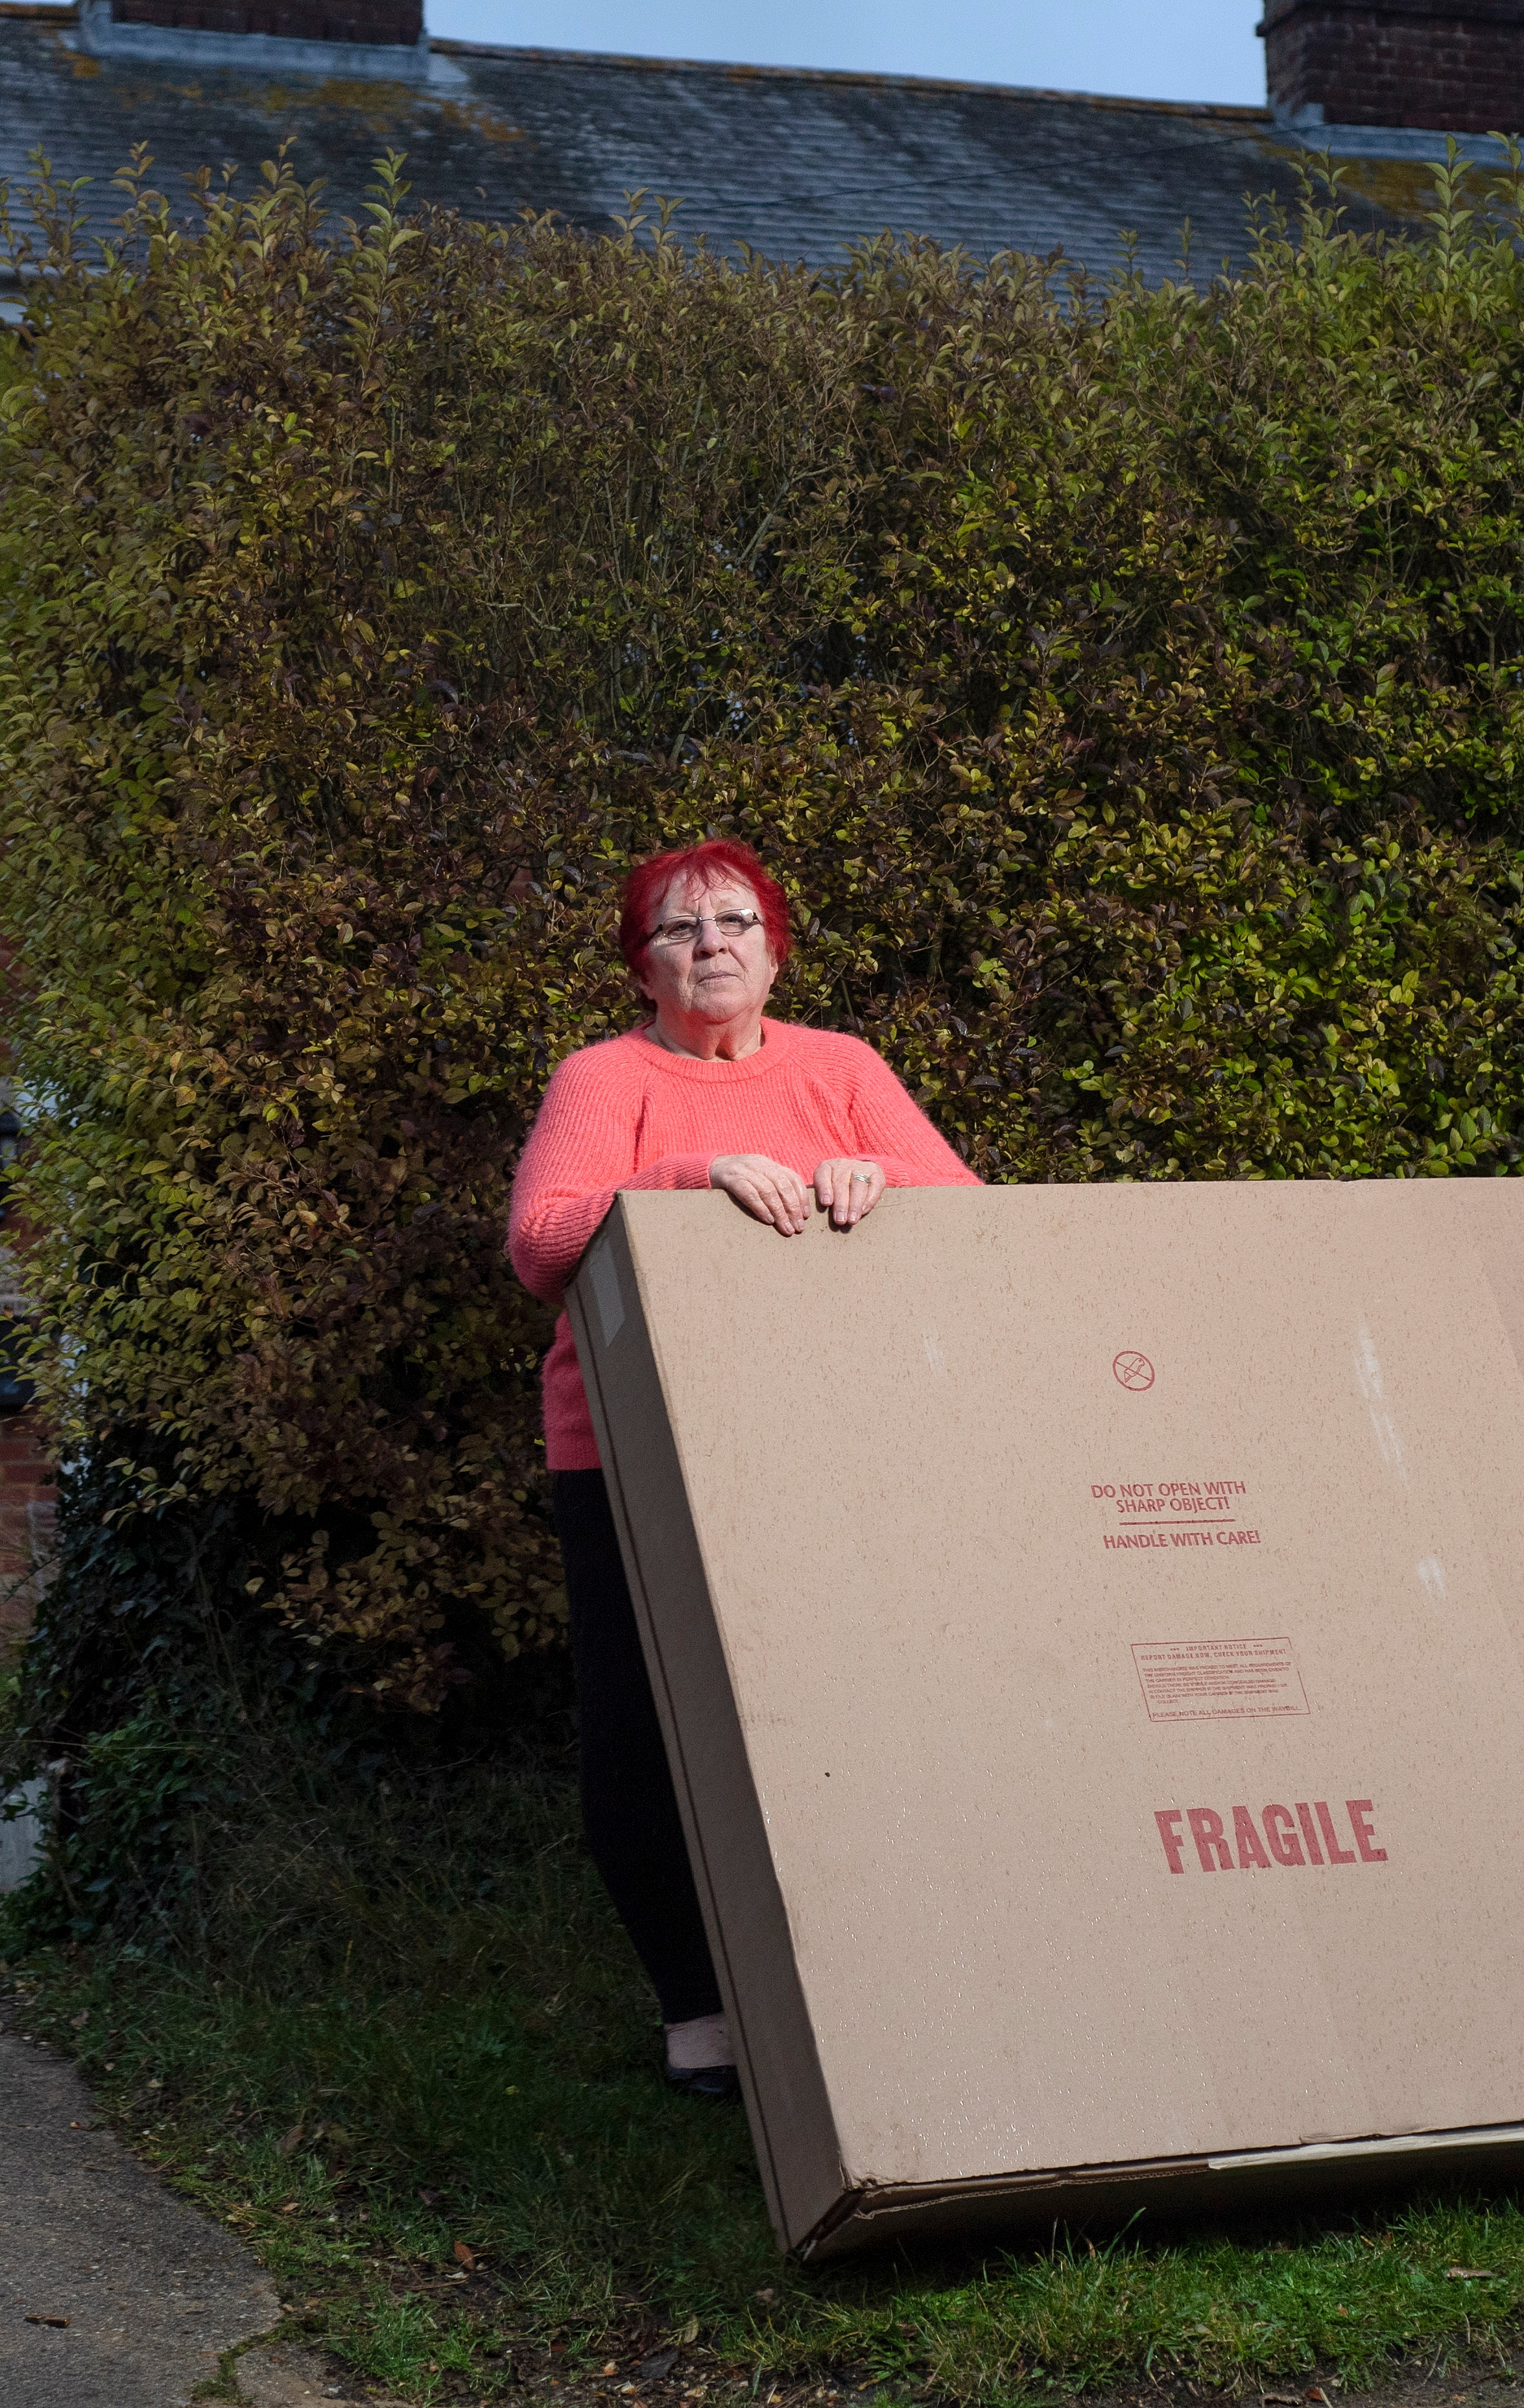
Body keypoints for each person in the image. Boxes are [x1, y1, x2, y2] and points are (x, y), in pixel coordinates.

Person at [503, 838, 981, 2099]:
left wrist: (881, 1179)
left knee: (838, 1704)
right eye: (677, 928)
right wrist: (690, 1174)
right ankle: (700, 2007)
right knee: (642, 1726)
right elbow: (546, 1238)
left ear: (775, 947)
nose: (710, 943)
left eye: (733, 922)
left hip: (829, 1448)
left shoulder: (844, 1069)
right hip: (626, 1450)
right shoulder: (610, 1076)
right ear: (641, 964)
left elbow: (970, 1206)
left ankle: (862, 1982)